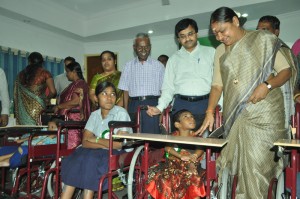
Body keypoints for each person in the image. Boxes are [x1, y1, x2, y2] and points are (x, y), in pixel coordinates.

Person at [198, 7, 297, 198]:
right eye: (215, 33)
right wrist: (210, 111)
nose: (219, 36)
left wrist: (267, 85)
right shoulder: (220, 50)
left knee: (258, 167)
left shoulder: (263, 40)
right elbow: (217, 85)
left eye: (223, 30)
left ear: (235, 21)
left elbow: (286, 71)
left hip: (265, 114)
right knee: (236, 167)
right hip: (236, 116)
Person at [60, 81, 132, 199]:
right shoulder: (94, 115)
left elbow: (119, 145)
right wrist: (100, 142)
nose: (109, 98)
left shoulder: (121, 113)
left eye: (113, 94)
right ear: (96, 98)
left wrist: (95, 140)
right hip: (96, 150)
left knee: (91, 161)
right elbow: (85, 142)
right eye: (104, 94)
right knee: (74, 159)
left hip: (116, 153)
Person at [147, 18, 216, 131]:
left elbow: (218, 84)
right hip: (181, 107)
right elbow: (168, 88)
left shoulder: (211, 52)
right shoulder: (173, 59)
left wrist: (219, 107)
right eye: (182, 36)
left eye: (190, 34)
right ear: (178, 39)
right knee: (180, 146)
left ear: (196, 34)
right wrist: (160, 107)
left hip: (205, 106)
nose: (187, 38)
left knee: (205, 146)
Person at [146, 109, 206, 199]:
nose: (191, 118)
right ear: (177, 124)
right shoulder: (172, 136)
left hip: (192, 164)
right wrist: (181, 156)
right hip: (172, 165)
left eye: (192, 116)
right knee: (163, 179)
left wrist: (195, 155)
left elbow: (200, 148)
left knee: (193, 177)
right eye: (186, 116)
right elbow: (167, 148)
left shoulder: (197, 137)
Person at [118, 33, 165, 134]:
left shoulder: (159, 66)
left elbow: (163, 91)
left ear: (150, 47)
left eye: (146, 47)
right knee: (135, 137)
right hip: (134, 105)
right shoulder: (128, 66)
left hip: (152, 104)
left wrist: (161, 111)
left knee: (152, 139)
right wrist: (126, 112)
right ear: (134, 48)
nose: (144, 50)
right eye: (140, 47)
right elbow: (125, 91)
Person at [53, 62, 90, 149]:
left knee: (72, 147)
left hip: (73, 122)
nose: (66, 75)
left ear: (74, 72)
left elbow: (76, 101)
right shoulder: (74, 84)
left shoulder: (80, 84)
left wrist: (59, 106)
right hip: (67, 121)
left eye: (67, 72)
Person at [14, 52, 57, 125]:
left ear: (29, 61)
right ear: (42, 62)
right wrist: (46, 99)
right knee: (38, 131)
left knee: (25, 131)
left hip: (22, 110)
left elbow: (16, 94)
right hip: (38, 107)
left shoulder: (20, 74)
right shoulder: (45, 73)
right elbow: (53, 91)